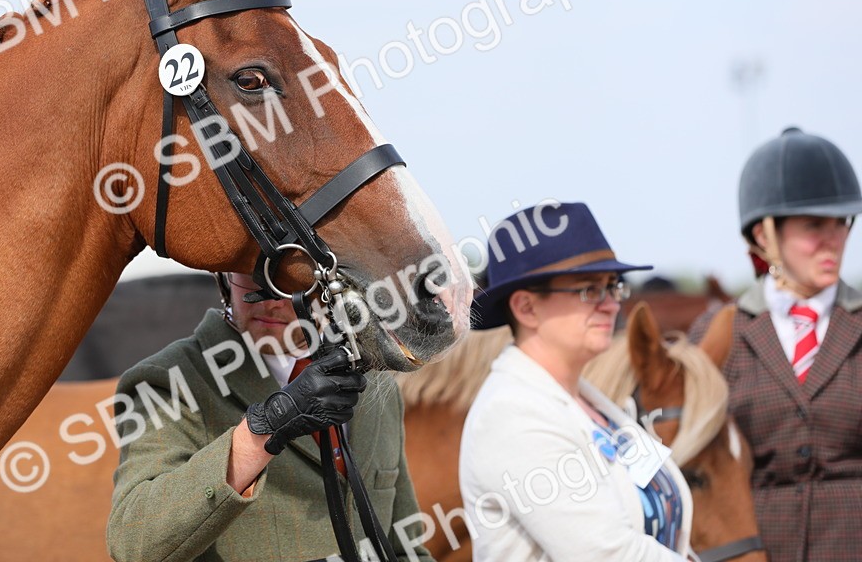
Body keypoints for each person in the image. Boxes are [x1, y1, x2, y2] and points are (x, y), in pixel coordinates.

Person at [106, 271, 434, 562]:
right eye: (252, 273)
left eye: (290, 277)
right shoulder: (169, 380)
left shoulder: (375, 380)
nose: (272, 301)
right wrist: (265, 427)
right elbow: (134, 544)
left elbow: (403, 547)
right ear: (221, 277)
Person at [461, 202, 694, 561]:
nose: (611, 305)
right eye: (588, 290)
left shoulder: (590, 403)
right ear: (526, 308)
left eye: (612, 287)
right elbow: (607, 554)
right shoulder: (511, 414)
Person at [689, 127, 862, 562]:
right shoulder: (716, 334)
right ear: (764, 235)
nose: (833, 240)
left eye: (840, 223)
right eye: (813, 226)